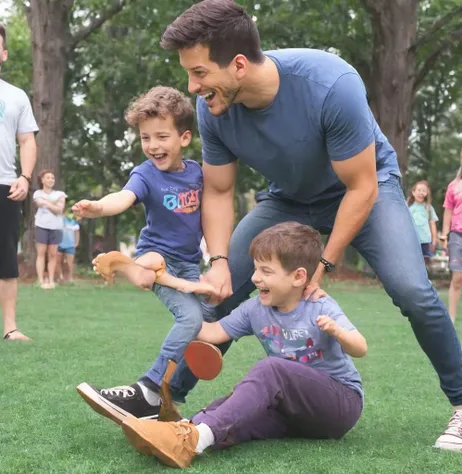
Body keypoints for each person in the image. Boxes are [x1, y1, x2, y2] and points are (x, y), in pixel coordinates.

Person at [155, 0, 461, 451]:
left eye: (199, 73)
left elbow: (360, 187)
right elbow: (219, 192)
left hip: (364, 189)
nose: (192, 85)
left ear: (238, 65)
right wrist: (219, 261)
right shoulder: (212, 107)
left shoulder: (330, 84)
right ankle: (165, 400)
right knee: (221, 294)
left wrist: (325, 261)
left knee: (414, 292)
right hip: (288, 198)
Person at [120, 222, 367, 469]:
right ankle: (182, 435)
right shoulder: (255, 309)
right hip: (291, 414)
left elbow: (360, 348)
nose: (255, 278)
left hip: (338, 407)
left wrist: (338, 332)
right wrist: (171, 285)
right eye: (256, 269)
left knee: (272, 369)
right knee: (231, 409)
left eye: (266, 271)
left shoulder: (320, 306)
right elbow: (211, 332)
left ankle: (191, 439)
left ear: (299, 276)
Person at [73, 86, 217, 421]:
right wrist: (98, 207)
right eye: (144, 138)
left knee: (206, 322)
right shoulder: (146, 173)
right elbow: (123, 197)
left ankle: (166, 401)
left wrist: (215, 258)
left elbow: (211, 216)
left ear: (183, 137)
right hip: (158, 257)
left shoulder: (197, 173)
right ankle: (150, 387)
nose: (152, 146)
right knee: (190, 318)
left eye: (161, 137)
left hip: (189, 264)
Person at [0, 22, 38, 341]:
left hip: (2, 187)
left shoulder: (16, 96)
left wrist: (25, 177)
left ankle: (10, 328)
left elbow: (27, 142)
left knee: (6, 260)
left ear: (3, 54)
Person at [33, 169, 66, 289]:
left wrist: (47, 202)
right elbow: (40, 203)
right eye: (48, 177)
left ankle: (51, 280)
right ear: (42, 180)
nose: (51, 180)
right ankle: (41, 280)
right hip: (41, 225)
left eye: (52, 178)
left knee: (53, 254)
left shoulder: (60, 194)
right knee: (41, 253)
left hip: (56, 227)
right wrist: (53, 203)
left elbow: (59, 210)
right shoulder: (37, 193)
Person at [441, 151, 462, 323]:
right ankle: (451, 318)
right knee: (457, 279)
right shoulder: (454, 186)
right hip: (457, 235)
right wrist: (444, 235)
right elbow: (448, 211)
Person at [407, 180, 439, 262]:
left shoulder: (428, 208)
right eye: (419, 190)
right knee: (412, 261)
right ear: (413, 192)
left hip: (425, 241)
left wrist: (434, 239)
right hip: (412, 240)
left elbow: (432, 224)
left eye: (424, 191)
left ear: (427, 193)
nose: (421, 193)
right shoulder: (408, 208)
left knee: (425, 262)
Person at [56, 213, 80, 283]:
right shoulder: (58, 221)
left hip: (70, 245)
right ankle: (60, 277)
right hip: (59, 244)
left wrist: (76, 242)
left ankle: (70, 278)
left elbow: (76, 232)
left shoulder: (73, 221)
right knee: (58, 262)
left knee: (70, 263)